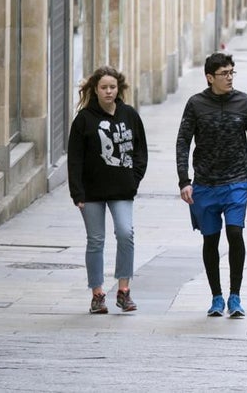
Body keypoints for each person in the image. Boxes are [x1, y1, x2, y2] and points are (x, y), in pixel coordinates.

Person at [175, 52, 247, 318]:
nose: (229, 78)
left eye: (232, 72)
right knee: (210, 239)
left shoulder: (246, 103)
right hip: (204, 184)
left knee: (235, 234)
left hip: (236, 181)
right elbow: (183, 142)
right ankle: (216, 296)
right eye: (224, 74)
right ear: (209, 77)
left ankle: (235, 296)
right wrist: (184, 180)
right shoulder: (196, 104)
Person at [68, 66, 149, 315]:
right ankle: (97, 293)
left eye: (112, 87)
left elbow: (140, 151)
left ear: (119, 88)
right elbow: (75, 158)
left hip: (122, 189)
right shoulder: (84, 119)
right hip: (91, 191)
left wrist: (133, 180)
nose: (108, 91)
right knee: (96, 241)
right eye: (104, 87)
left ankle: (123, 290)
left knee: (126, 233)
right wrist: (77, 193)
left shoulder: (129, 115)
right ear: (95, 89)